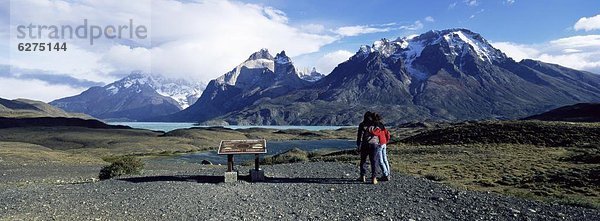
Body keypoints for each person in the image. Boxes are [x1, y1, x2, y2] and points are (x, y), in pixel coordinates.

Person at [356, 111, 379, 184]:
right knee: (374, 161)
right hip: (374, 144)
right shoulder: (376, 124)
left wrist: (358, 145)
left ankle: (362, 176)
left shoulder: (362, 124)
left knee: (363, 160)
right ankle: (374, 178)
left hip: (365, 144)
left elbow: (359, 136)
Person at [369, 113, 391, 181]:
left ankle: (385, 175)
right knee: (385, 159)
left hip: (380, 144)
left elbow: (376, 133)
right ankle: (388, 174)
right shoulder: (382, 125)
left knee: (380, 160)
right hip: (384, 143)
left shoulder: (376, 125)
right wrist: (386, 140)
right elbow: (387, 133)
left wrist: (370, 130)